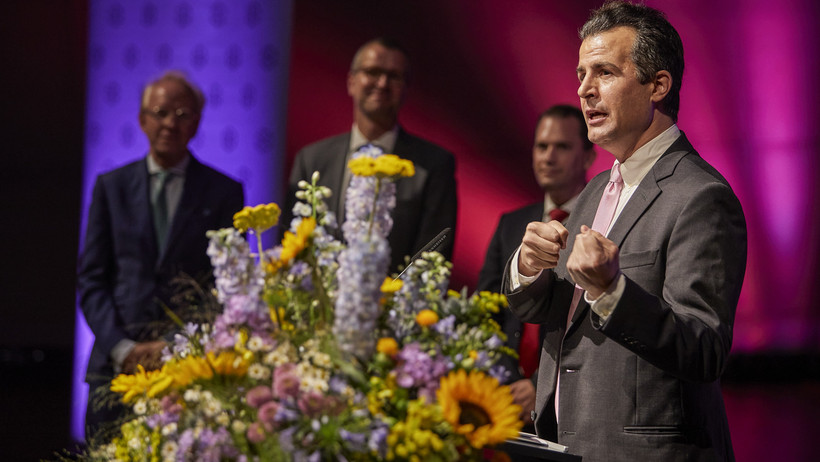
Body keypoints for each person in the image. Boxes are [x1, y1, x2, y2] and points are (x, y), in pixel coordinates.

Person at [503, 2, 746, 460]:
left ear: (658, 85)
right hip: (565, 444)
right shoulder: (595, 191)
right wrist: (528, 267)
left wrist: (612, 290)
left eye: (604, 73)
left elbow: (704, 349)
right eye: (580, 75)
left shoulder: (701, 197)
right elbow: (556, 310)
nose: (585, 90)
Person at [77, 71, 244, 436]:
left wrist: (171, 347)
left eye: (183, 115)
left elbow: (226, 287)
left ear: (197, 123)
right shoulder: (112, 187)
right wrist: (122, 347)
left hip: (189, 368)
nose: (171, 123)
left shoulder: (224, 193)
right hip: (114, 367)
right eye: (161, 112)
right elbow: (91, 280)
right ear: (142, 120)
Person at [284, 37, 457, 272]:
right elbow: (292, 244)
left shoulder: (433, 166)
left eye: (394, 76)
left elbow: (432, 258)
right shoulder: (312, 160)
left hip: (395, 304)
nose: (382, 83)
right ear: (351, 81)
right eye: (372, 72)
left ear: (406, 88)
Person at [477, 104, 595, 430]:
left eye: (562, 147)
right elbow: (484, 311)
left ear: (587, 157)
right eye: (542, 146)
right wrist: (506, 379)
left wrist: (538, 382)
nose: (548, 157)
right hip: (503, 403)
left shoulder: (601, 223)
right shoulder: (511, 223)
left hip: (570, 405)